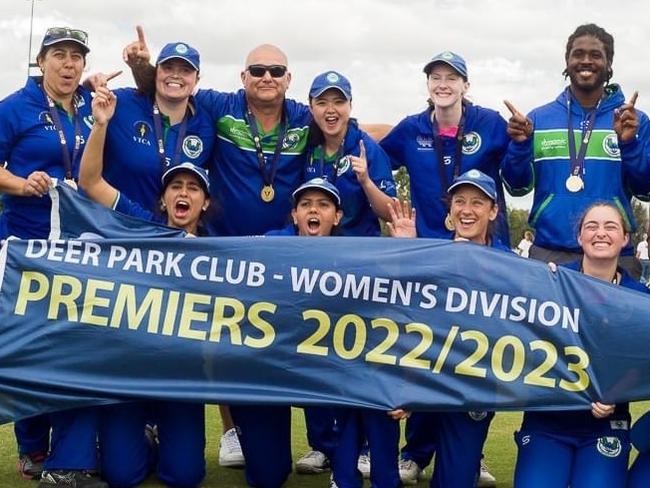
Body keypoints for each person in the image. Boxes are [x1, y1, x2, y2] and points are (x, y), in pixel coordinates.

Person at [380, 51, 505, 487]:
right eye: (435, 76)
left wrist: (525, 141)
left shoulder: (490, 123)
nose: (443, 83)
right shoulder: (413, 127)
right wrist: (369, 187)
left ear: (466, 84)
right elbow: (379, 155)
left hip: (484, 256)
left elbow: (522, 169)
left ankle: (472, 449)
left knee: (477, 345)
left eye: (452, 76)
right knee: (426, 341)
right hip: (432, 253)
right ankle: (415, 450)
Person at [78, 85, 209, 487]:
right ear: (163, 200)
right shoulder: (140, 225)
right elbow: (90, 182)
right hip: (130, 371)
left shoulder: (223, 248)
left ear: (205, 203)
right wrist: (101, 124)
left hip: (181, 378)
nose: (183, 193)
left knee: (185, 477)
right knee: (122, 475)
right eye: (175, 187)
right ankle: (141, 437)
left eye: (192, 188)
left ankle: (161, 438)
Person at [0, 27, 107, 488]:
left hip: (80, 252)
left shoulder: (90, 106)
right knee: (32, 350)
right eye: (59, 56)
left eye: (76, 58)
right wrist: (20, 184)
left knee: (74, 351)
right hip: (27, 249)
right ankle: (32, 446)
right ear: (41, 61)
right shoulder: (14, 108)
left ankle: (70, 456)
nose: (68, 65)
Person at [295, 70, 397, 477]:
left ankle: (368, 444)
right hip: (314, 267)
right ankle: (323, 444)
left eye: (338, 102)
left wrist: (365, 180)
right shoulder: (304, 144)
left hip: (360, 268)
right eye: (322, 102)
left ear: (350, 106)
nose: (330, 110)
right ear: (312, 107)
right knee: (314, 352)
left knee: (360, 354)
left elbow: (391, 211)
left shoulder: (366, 146)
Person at [513, 201, 649, 488]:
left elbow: (642, 359)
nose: (601, 233)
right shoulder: (550, 283)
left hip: (605, 426)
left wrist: (615, 392)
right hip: (547, 421)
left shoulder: (640, 299)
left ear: (625, 238)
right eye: (592, 226)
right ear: (579, 237)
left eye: (610, 226)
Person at [387, 169, 508, 488]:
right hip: (425, 375)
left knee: (455, 481)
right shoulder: (428, 254)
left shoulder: (510, 264)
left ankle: (469, 458)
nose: (466, 210)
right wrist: (405, 253)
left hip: (473, 386)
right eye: (459, 201)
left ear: (493, 210)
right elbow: (399, 308)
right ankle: (414, 453)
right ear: (450, 209)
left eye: (477, 202)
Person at [502, 23, 650, 279]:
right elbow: (517, 187)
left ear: (609, 63)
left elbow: (645, 190)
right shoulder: (538, 119)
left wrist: (630, 144)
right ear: (567, 61)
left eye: (595, 55)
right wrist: (520, 146)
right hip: (549, 253)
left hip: (614, 255)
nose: (586, 61)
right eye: (578, 54)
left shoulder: (633, 121)